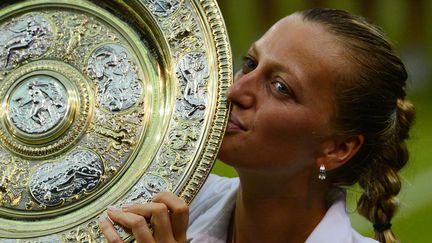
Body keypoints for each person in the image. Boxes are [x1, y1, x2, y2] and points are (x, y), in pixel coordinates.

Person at [99, 8, 415, 243]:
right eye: (250, 63)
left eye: (279, 87)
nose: (235, 91)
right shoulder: (159, 199)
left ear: (337, 148)